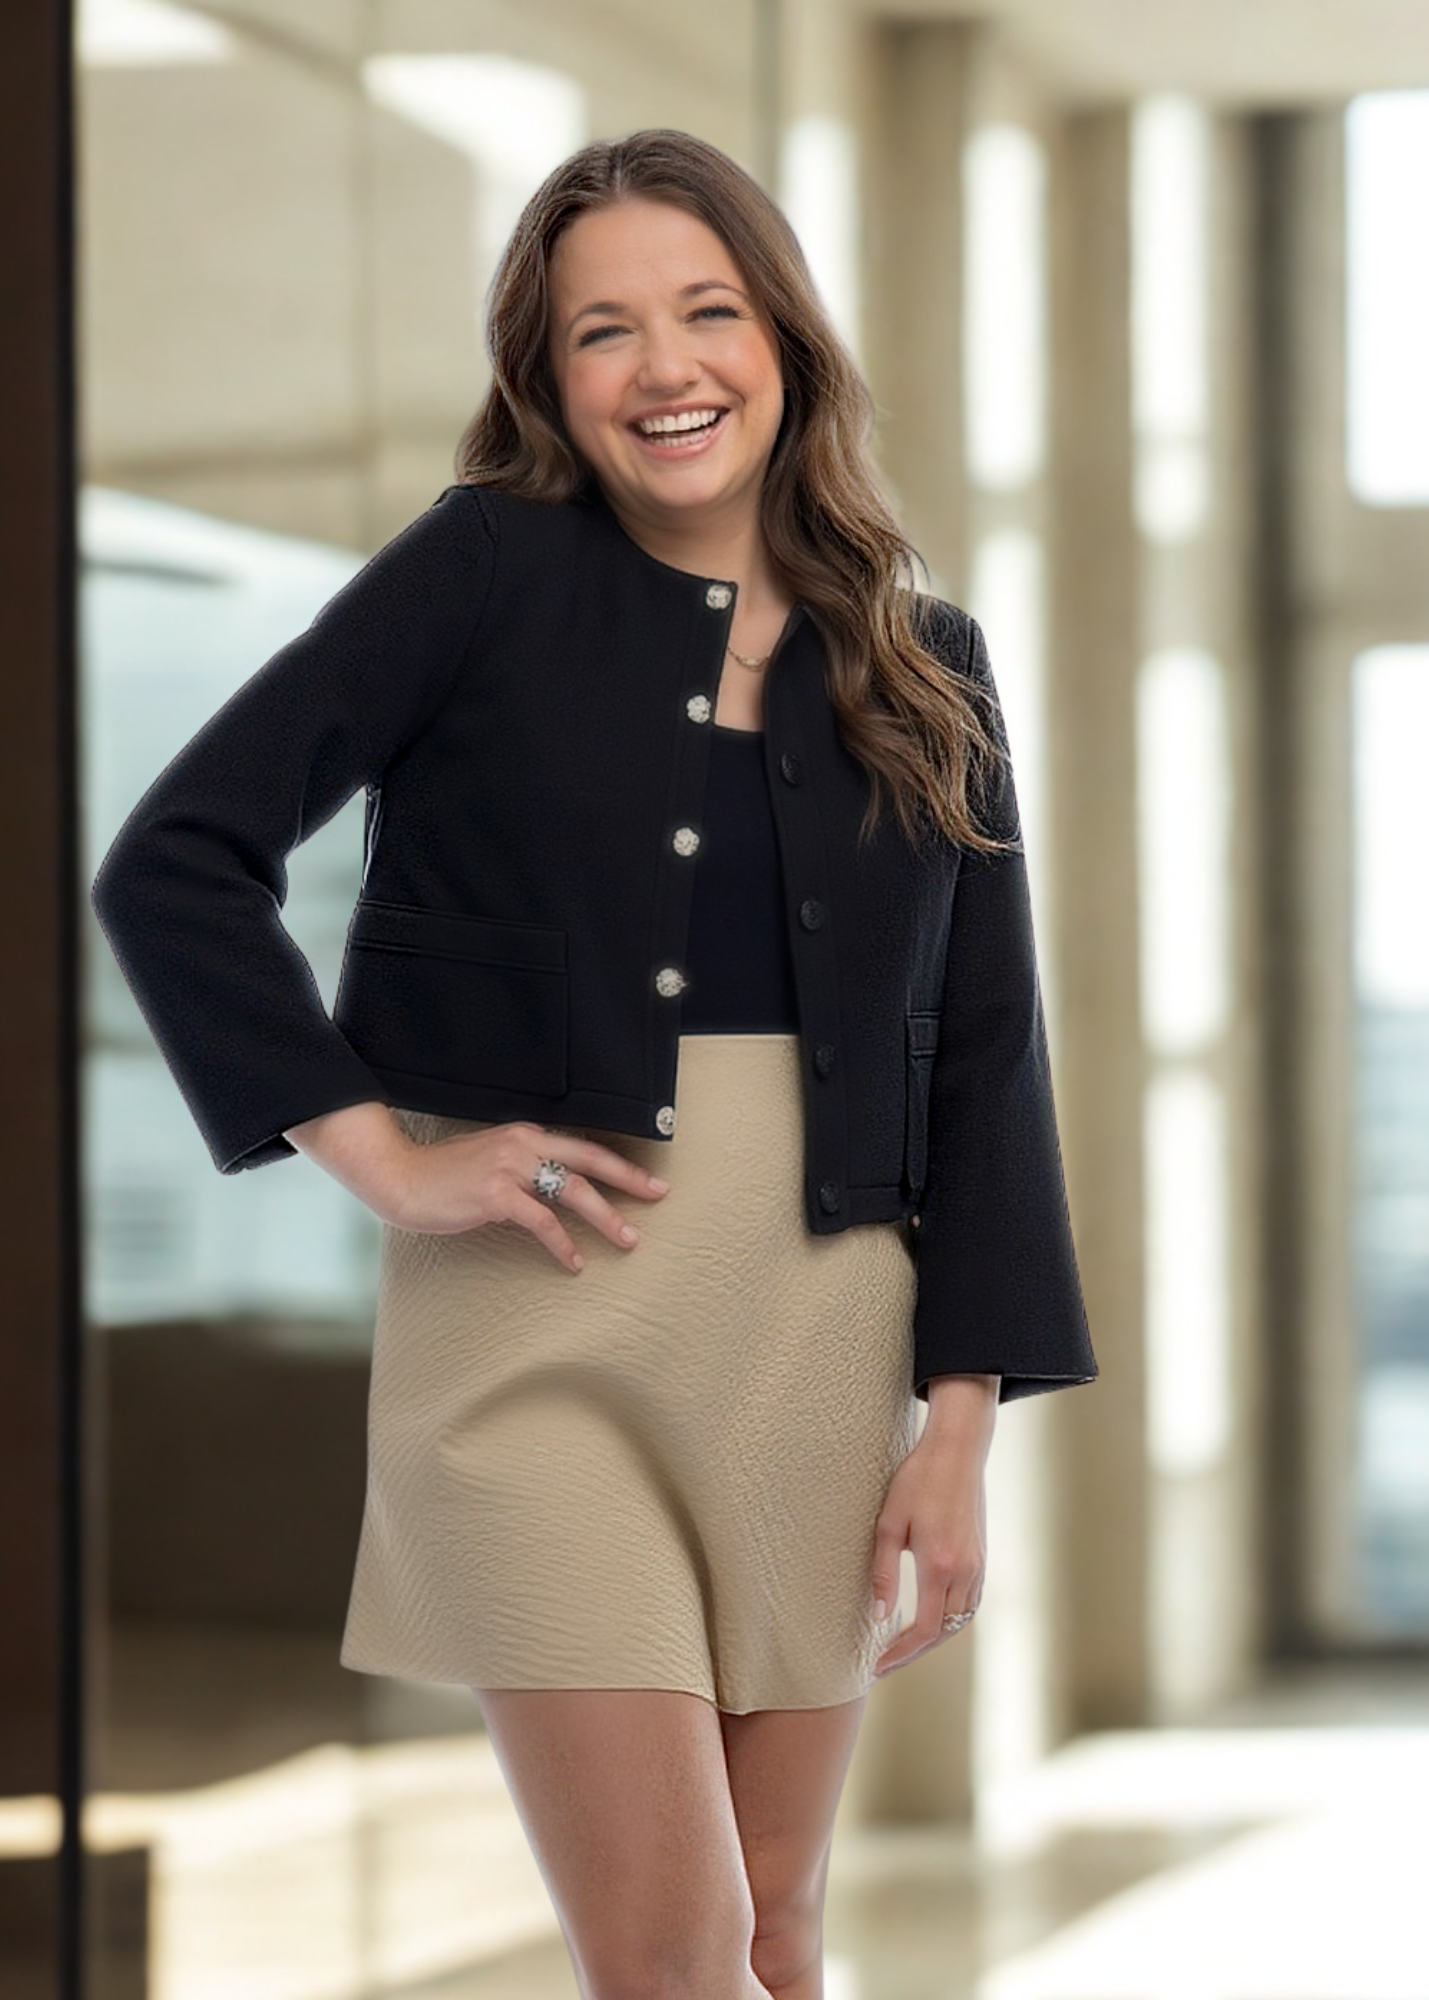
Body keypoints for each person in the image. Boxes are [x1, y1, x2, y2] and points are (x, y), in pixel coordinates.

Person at [90, 127, 1097, 2000]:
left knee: (785, 1930)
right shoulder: (480, 574)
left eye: (708, 311)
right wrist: (384, 1157)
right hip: (533, 1333)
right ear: (550, 381)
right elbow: (179, 858)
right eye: (602, 331)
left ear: (784, 340)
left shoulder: (922, 656)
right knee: (675, 1945)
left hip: (816, 1340)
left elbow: (985, 1054)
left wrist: (956, 1428)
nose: (666, 367)